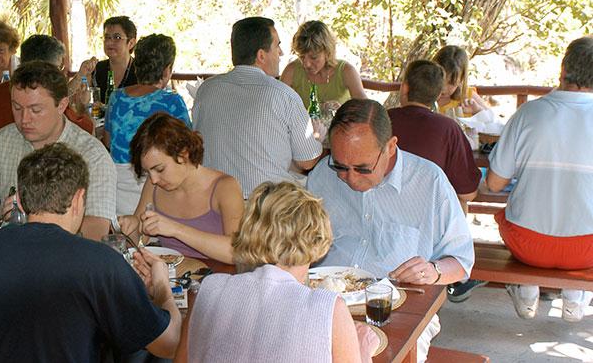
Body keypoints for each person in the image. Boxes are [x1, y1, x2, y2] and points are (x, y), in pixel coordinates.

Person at [0, 143, 180, 362]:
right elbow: (169, 344)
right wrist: (162, 289)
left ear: (19, 201)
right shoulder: (100, 263)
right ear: (79, 199)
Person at [307, 99, 475, 362]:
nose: (350, 178)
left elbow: (462, 262)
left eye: (362, 168)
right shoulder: (321, 175)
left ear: (390, 147)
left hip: (399, 308)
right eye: (340, 166)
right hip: (323, 303)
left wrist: (433, 271)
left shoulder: (429, 182)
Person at [179, 181, 378, 363]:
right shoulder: (329, 308)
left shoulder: (206, 290)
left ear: (250, 230)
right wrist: (363, 351)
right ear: (317, 237)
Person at [486, 36, 593, 322]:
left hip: (528, 245)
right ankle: (575, 296)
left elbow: (494, 183)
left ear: (563, 71)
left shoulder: (528, 113)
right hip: (588, 250)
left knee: (510, 215)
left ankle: (526, 289)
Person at [0, 61, 116, 240]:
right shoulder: (5, 138)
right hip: (11, 250)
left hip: (65, 259)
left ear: (62, 106)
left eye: (35, 110)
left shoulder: (92, 155)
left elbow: (97, 232)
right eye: (16, 108)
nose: (24, 119)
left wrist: (32, 221)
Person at [193, 17, 323, 195]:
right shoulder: (283, 95)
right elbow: (307, 162)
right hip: (266, 209)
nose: (281, 53)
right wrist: (318, 137)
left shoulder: (206, 90)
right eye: (277, 46)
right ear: (261, 55)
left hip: (215, 201)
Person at [118, 112, 242, 263]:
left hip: (218, 277)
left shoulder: (224, 187)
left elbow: (237, 252)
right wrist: (133, 227)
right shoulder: (154, 186)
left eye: (160, 169)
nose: (154, 179)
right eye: (148, 172)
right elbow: (138, 242)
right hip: (172, 279)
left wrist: (176, 230)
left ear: (183, 154)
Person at [0, 34, 93, 174]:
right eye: (60, 67)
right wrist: (83, 107)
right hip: (22, 181)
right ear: (51, 69)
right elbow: (86, 139)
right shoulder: (49, 102)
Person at [105, 34, 190, 215]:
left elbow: (107, 139)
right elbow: (187, 150)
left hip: (118, 193)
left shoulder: (116, 97)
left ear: (136, 66)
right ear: (167, 71)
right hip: (158, 186)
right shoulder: (172, 102)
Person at [388, 60, 480, 213]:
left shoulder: (383, 120)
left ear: (404, 88)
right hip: (428, 215)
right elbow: (468, 193)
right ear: (438, 95)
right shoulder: (448, 128)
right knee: (459, 199)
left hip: (384, 209)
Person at [281, 20, 366, 109]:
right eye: (302, 57)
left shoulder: (346, 71)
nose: (307, 64)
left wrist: (343, 111)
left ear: (327, 52)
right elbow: (277, 106)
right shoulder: (292, 71)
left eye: (314, 57)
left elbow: (365, 109)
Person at [75, 16, 139, 104]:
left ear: (131, 43)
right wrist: (81, 75)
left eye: (117, 37)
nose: (109, 42)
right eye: (107, 37)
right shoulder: (96, 69)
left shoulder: (141, 70)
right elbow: (70, 102)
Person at [433, 45, 487, 116]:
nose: (444, 88)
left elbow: (493, 122)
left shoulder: (468, 97)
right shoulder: (419, 95)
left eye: (451, 83)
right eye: (440, 79)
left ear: (461, 80)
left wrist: (478, 111)